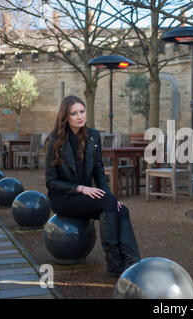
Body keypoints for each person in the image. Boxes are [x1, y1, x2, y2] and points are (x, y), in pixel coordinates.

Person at [44, 95, 140, 276]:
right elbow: (51, 182)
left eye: (82, 111)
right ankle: (114, 261)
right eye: (74, 113)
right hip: (64, 198)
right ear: (66, 116)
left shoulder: (93, 136)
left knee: (122, 209)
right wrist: (79, 188)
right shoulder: (54, 141)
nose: (80, 116)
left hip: (88, 198)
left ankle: (133, 263)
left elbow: (99, 173)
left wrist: (110, 197)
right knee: (108, 204)